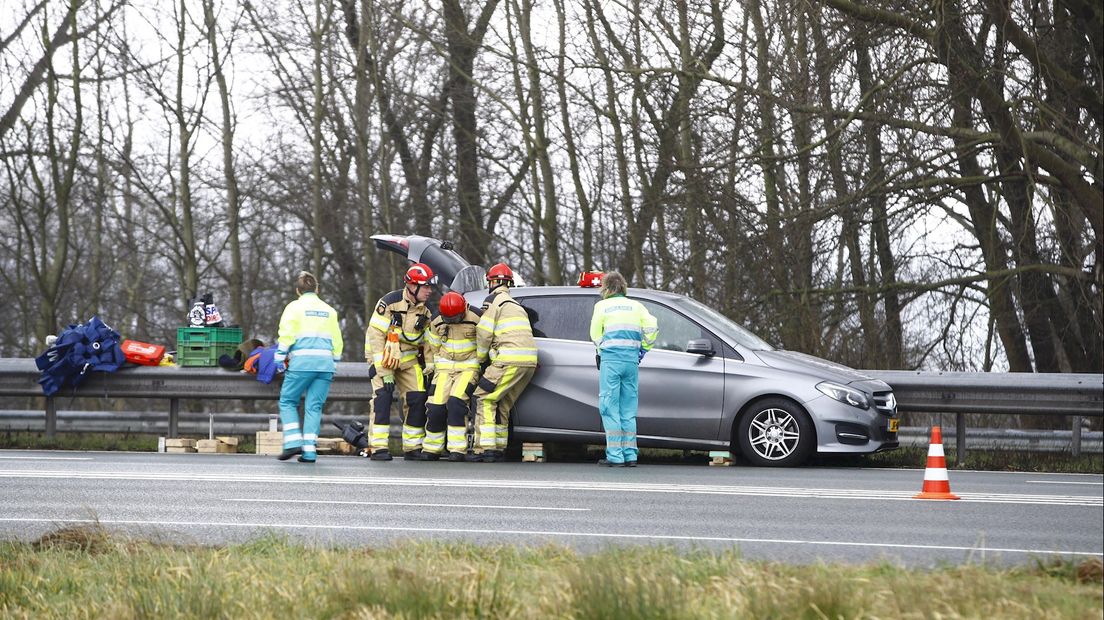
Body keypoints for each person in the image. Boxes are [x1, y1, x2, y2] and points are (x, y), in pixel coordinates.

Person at [365, 263, 435, 461]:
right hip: (382, 360)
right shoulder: (388, 303)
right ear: (413, 287)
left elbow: (429, 342)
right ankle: (378, 447)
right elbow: (376, 336)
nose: (430, 290)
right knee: (383, 399)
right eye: (426, 286)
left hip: (408, 361)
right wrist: (384, 370)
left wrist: (429, 365)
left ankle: (412, 447)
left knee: (418, 398)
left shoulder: (426, 313)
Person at [470, 263, 538, 462]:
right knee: (503, 404)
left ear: (492, 282)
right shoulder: (516, 305)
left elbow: (484, 332)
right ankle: (499, 447)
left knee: (483, 397)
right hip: (529, 362)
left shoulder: (493, 301)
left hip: (508, 360)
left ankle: (486, 448)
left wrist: (481, 358)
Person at [589, 271, 657, 467]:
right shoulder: (637, 306)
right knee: (628, 409)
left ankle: (615, 456)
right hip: (631, 362)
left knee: (609, 407)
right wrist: (643, 349)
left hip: (611, 360)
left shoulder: (602, 306)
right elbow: (652, 327)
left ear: (606, 288)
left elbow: (595, 333)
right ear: (623, 287)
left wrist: (603, 349)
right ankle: (630, 455)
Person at [275, 271, 344, 463]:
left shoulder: (293, 308)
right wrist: (335, 360)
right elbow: (337, 339)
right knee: (314, 407)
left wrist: (279, 357)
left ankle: (292, 442)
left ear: (298, 291)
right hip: (325, 365)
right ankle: (309, 451)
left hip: (302, 364)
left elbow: (287, 334)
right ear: (317, 289)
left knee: (288, 401)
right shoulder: (329, 310)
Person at [419, 291, 482, 461]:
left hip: (468, 368)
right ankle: (432, 448)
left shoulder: (477, 317)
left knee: (456, 403)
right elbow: (432, 345)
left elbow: (486, 341)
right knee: (435, 406)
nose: (452, 322)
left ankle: (457, 449)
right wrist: (432, 364)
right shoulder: (437, 320)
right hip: (445, 369)